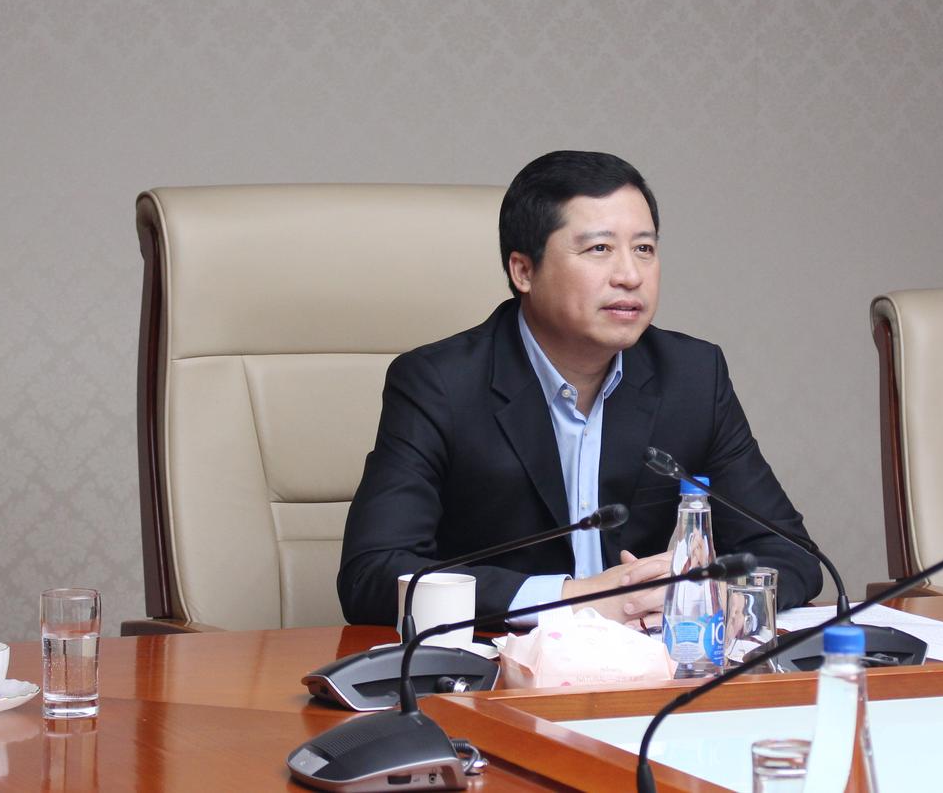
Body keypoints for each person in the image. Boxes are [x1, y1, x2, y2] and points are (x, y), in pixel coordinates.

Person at [337, 150, 822, 630]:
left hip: (658, 664)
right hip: (502, 669)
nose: (630, 275)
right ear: (523, 271)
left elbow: (790, 552)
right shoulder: (439, 384)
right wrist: (572, 600)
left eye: (644, 249)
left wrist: (727, 598)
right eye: (599, 249)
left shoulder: (692, 376)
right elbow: (373, 575)